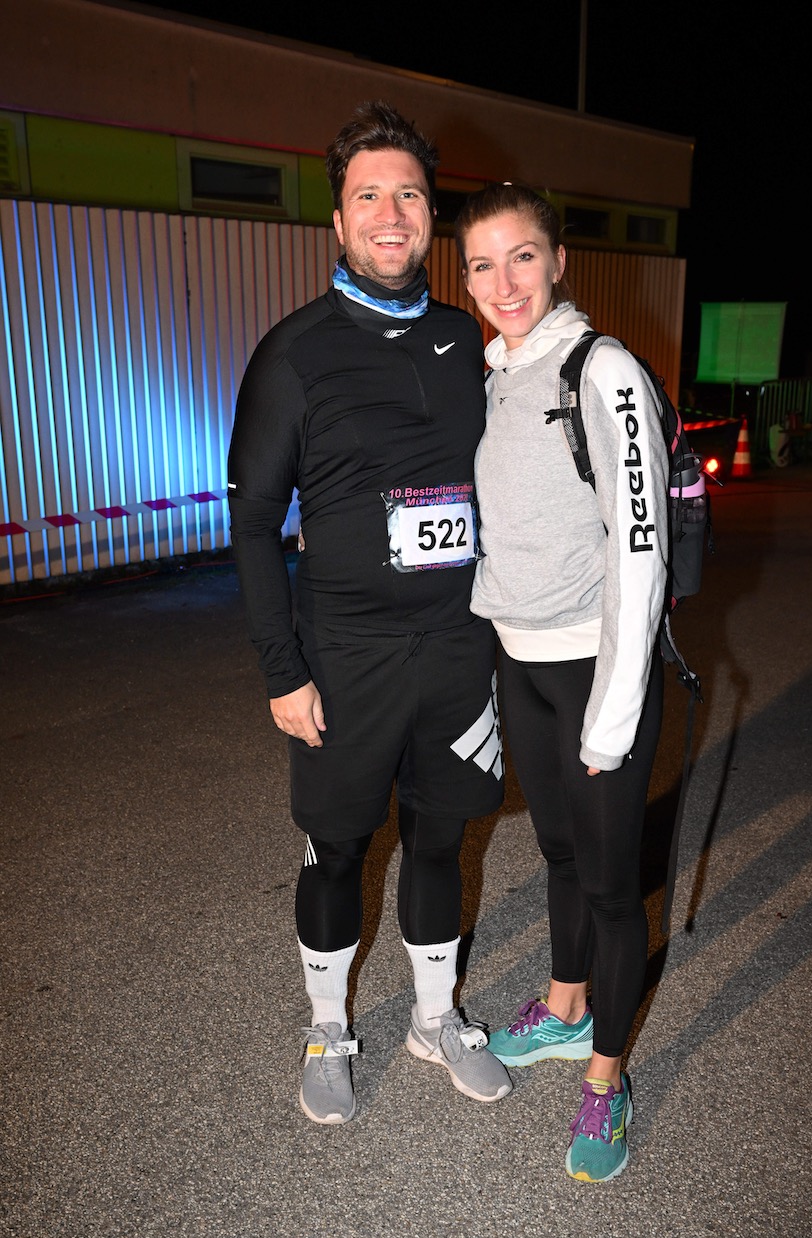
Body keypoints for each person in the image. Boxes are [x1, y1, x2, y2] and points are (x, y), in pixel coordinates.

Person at [227, 101, 510, 1125]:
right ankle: (326, 1026)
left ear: (429, 216)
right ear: (337, 222)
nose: (388, 213)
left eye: (407, 195)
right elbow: (254, 522)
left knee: (440, 838)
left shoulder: (462, 340)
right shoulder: (292, 353)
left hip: (455, 651)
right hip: (342, 661)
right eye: (366, 196)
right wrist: (278, 667)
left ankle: (435, 1017)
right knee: (337, 848)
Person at [454, 183, 669, 1182]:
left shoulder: (603, 370)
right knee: (555, 850)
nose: (503, 282)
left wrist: (613, 711)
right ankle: (563, 1002)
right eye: (481, 264)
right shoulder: (496, 372)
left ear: (557, 258)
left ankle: (605, 1078)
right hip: (522, 665)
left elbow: (639, 548)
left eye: (522, 256)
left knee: (612, 885)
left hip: (595, 668)